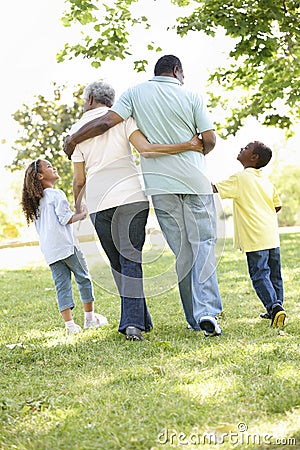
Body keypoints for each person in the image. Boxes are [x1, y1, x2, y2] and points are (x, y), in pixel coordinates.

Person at [64, 55, 223, 337]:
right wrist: (192, 149)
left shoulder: (131, 97)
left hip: (146, 189)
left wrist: (73, 140)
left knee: (177, 253)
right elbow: (202, 141)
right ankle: (201, 313)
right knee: (201, 245)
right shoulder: (187, 98)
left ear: (89, 100)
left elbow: (87, 162)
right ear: (177, 70)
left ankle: (179, 318)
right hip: (172, 186)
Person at [21, 159, 108, 335]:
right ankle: (89, 319)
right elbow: (65, 218)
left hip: (50, 250)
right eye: (49, 166)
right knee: (83, 278)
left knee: (62, 285)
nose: (53, 167)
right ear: (40, 176)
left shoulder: (36, 202)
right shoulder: (56, 194)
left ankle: (70, 326)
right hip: (67, 247)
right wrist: (82, 214)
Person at [213, 141, 286, 327]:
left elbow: (214, 189)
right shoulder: (266, 180)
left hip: (255, 237)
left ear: (254, 158)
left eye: (246, 148)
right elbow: (277, 206)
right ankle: (278, 309)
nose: (241, 148)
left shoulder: (240, 178)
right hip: (271, 235)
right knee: (274, 274)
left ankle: (274, 307)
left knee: (260, 274)